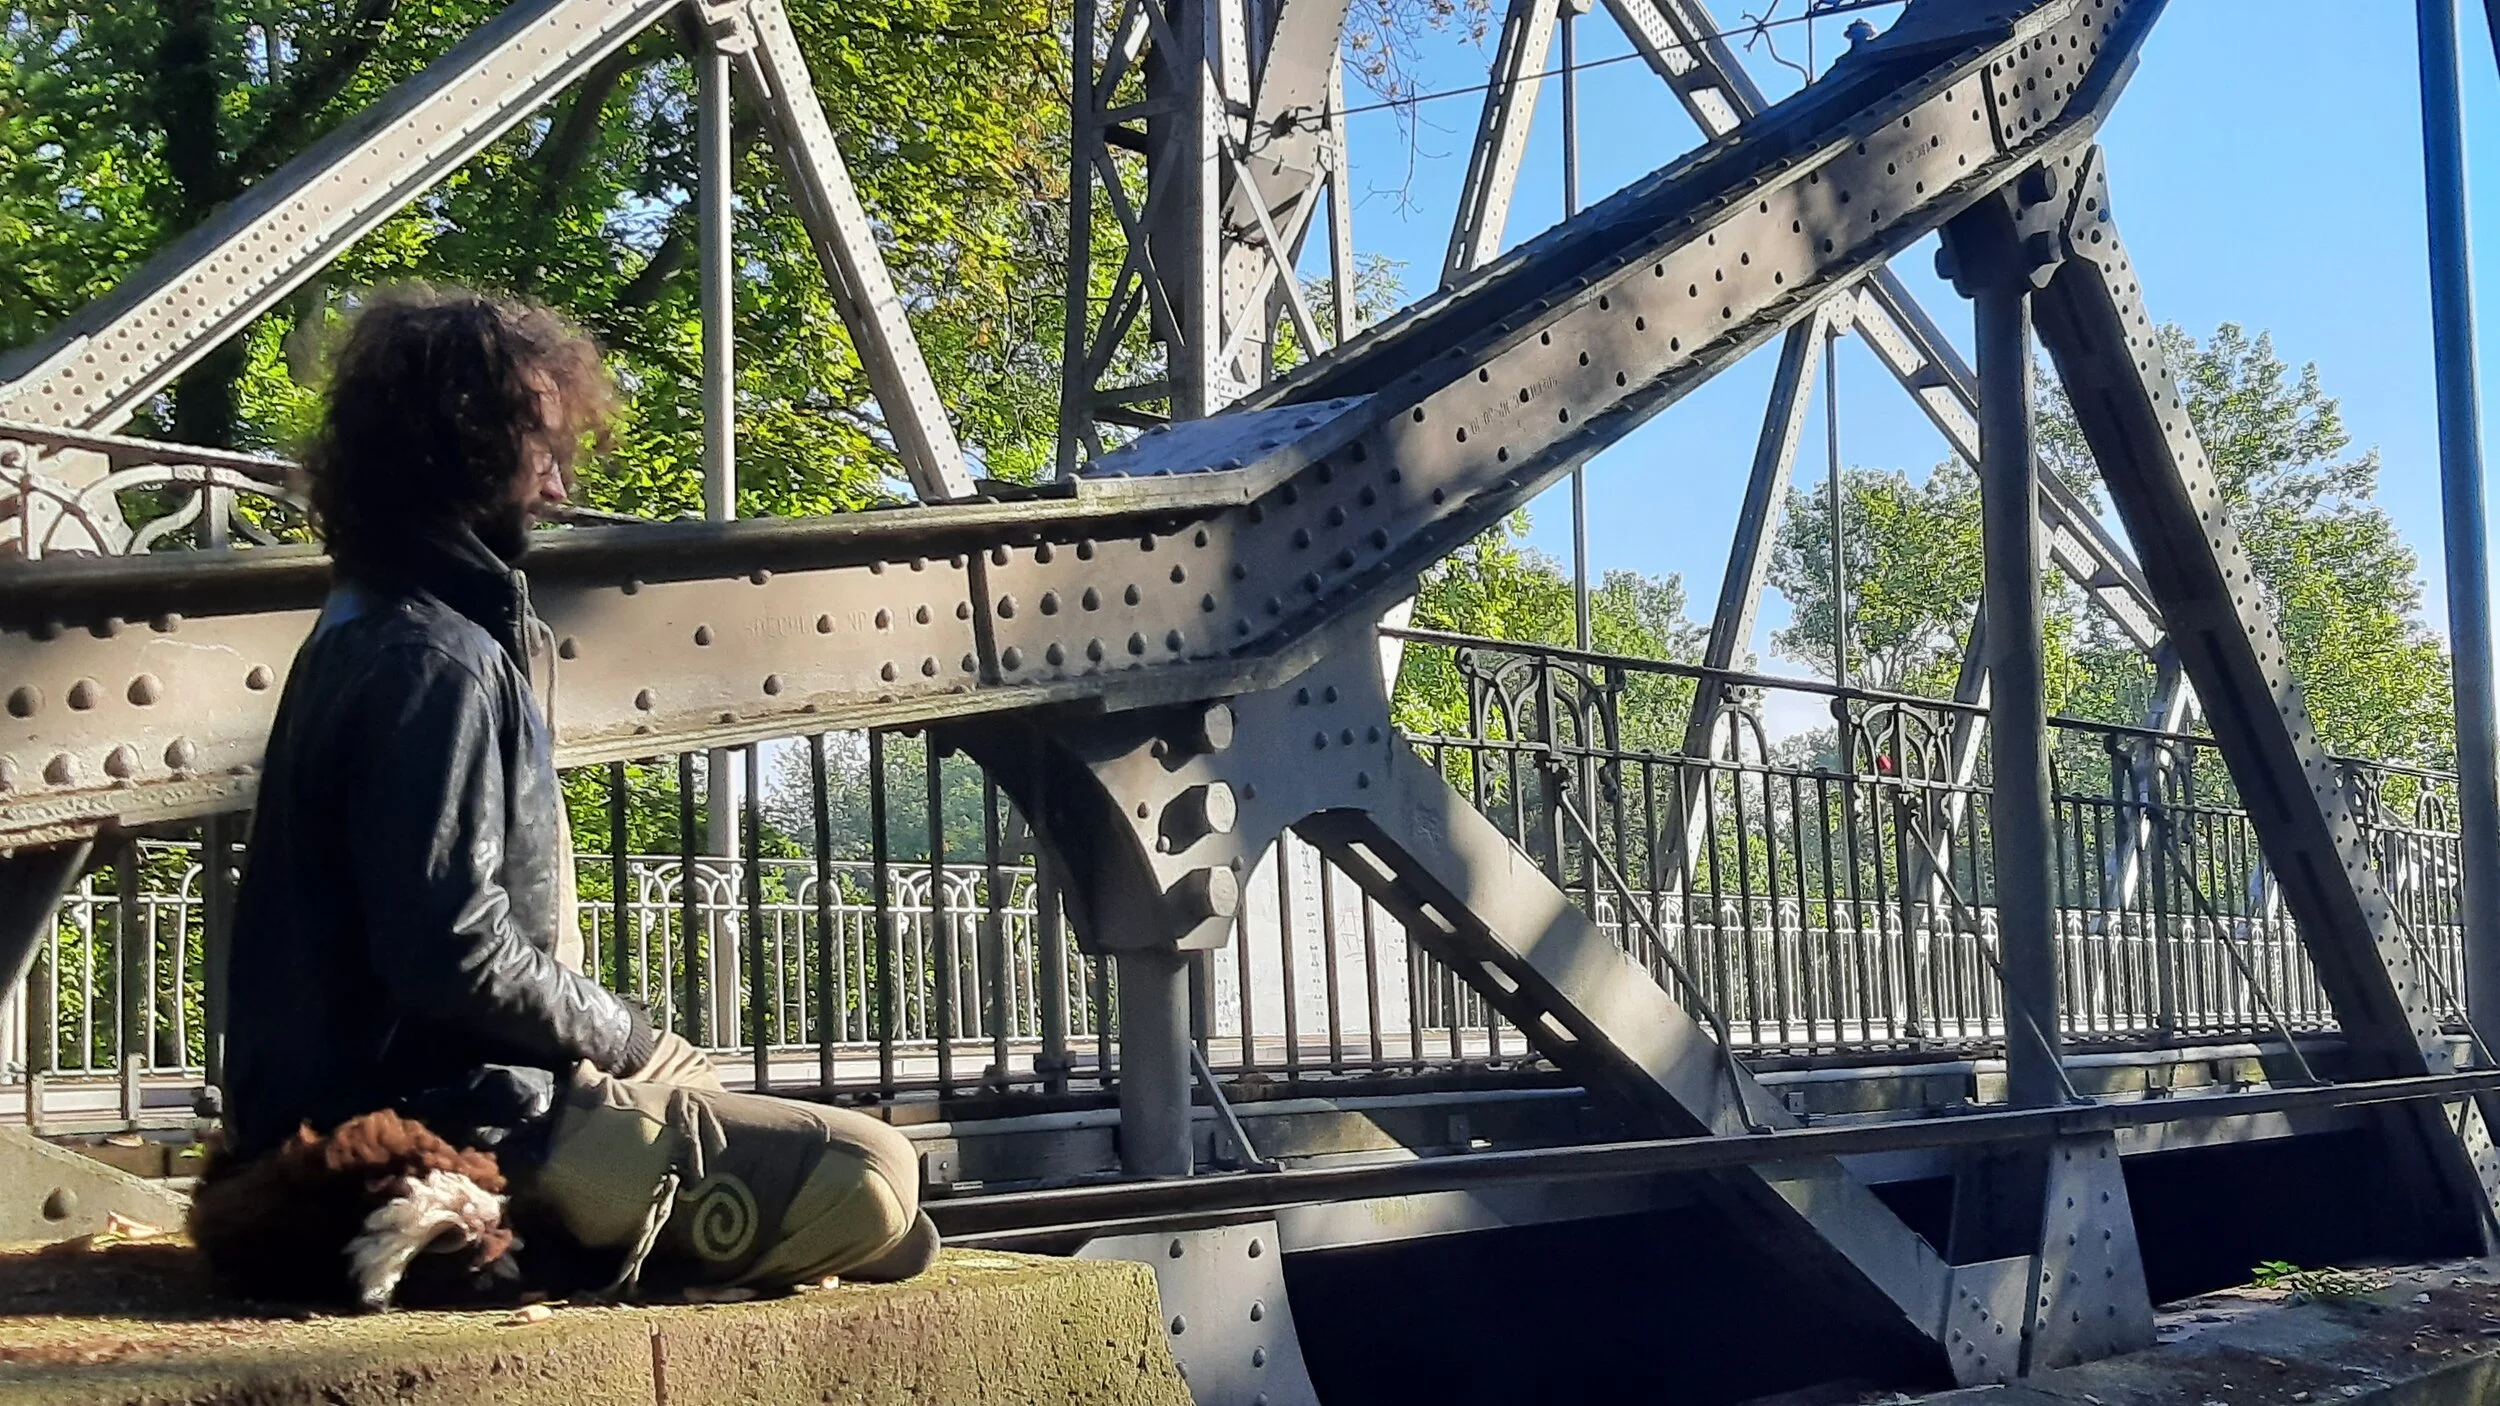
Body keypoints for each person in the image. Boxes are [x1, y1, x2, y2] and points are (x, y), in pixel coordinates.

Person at [218, 286, 937, 1295]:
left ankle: (597, 1219)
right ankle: (515, 1239)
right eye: (543, 453)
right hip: (429, 1125)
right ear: (463, 452)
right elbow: (453, 954)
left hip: (335, 1117)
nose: (558, 489)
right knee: (873, 1175)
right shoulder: (439, 661)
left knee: (866, 1207)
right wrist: (628, 1035)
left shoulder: (359, 630)